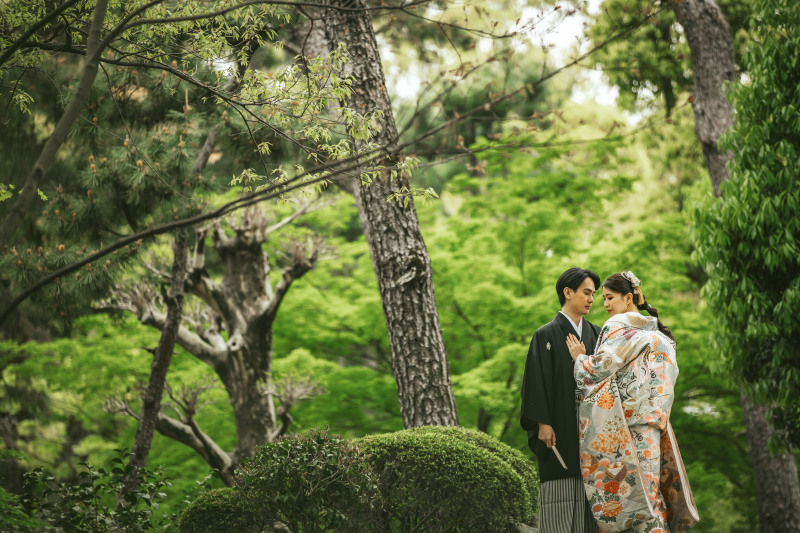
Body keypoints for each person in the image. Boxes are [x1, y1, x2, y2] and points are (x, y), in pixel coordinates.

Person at [567, 271, 699, 533]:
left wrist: (580, 358)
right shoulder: (660, 334)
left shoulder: (618, 326)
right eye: (602, 298)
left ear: (629, 297)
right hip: (654, 423)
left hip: (627, 425)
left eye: (610, 297)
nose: (605, 304)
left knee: (635, 502)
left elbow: (599, 368)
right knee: (651, 492)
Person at [520, 267, 603, 533]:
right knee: (561, 500)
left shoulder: (598, 334)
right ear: (568, 293)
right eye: (586, 292)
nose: (592, 299)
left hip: (592, 429)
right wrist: (543, 422)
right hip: (558, 425)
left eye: (594, 294)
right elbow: (535, 381)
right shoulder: (545, 335)